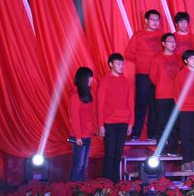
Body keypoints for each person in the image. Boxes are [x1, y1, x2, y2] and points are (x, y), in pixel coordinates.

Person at [125, 9, 162, 140]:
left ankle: (152, 134)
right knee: (141, 104)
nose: (155, 22)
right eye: (152, 19)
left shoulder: (162, 35)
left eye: (157, 20)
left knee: (154, 105)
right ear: (146, 21)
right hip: (143, 74)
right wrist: (142, 60)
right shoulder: (138, 35)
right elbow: (128, 53)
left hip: (158, 76)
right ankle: (135, 134)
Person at [97, 53, 133, 181]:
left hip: (123, 122)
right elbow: (100, 104)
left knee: (118, 154)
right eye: (118, 63)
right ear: (111, 64)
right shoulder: (105, 81)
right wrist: (100, 125)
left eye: (122, 64)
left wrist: (131, 123)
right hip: (109, 122)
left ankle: (116, 181)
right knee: (110, 153)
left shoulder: (126, 81)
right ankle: (106, 182)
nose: (121, 66)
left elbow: (131, 103)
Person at [149, 33, 182, 154]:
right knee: (161, 123)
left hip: (176, 96)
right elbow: (153, 77)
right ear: (163, 43)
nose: (173, 44)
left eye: (174, 41)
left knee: (174, 124)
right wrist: (162, 85)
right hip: (162, 96)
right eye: (170, 41)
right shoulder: (157, 59)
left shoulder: (179, 58)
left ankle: (172, 149)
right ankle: (160, 149)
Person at [174, 49, 194, 172]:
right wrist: (180, 108)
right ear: (186, 61)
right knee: (185, 136)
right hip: (185, 110)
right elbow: (176, 93)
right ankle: (186, 160)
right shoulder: (181, 74)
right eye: (192, 58)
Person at [68, 67, 96, 181]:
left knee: (84, 165)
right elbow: (74, 118)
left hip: (87, 135)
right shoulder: (75, 96)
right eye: (90, 77)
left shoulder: (86, 95)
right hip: (78, 137)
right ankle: (73, 188)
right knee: (78, 165)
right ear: (84, 78)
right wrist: (78, 137)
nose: (92, 79)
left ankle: (82, 188)